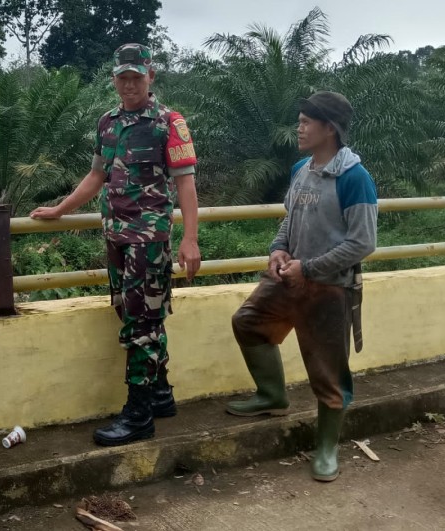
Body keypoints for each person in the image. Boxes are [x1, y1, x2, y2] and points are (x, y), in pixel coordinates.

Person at [31, 43, 201, 447]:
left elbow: (186, 184)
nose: (129, 85)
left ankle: (139, 414)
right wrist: (61, 208)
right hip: (116, 236)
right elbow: (97, 176)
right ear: (114, 79)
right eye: (122, 78)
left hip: (149, 238)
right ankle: (161, 394)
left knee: (141, 322)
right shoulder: (107, 122)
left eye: (136, 77)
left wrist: (190, 239)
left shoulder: (169, 123)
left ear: (150, 77)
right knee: (134, 311)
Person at [226, 91, 377, 482]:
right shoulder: (301, 169)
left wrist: (308, 268)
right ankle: (272, 396)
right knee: (249, 322)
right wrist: (278, 250)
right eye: (300, 120)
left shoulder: (355, 178)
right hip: (288, 277)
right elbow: (289, 219)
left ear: (330, 128)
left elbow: (363, 242)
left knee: (328, 372)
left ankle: (327, 448)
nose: (300, 127)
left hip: (328, 288)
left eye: (307, 121)